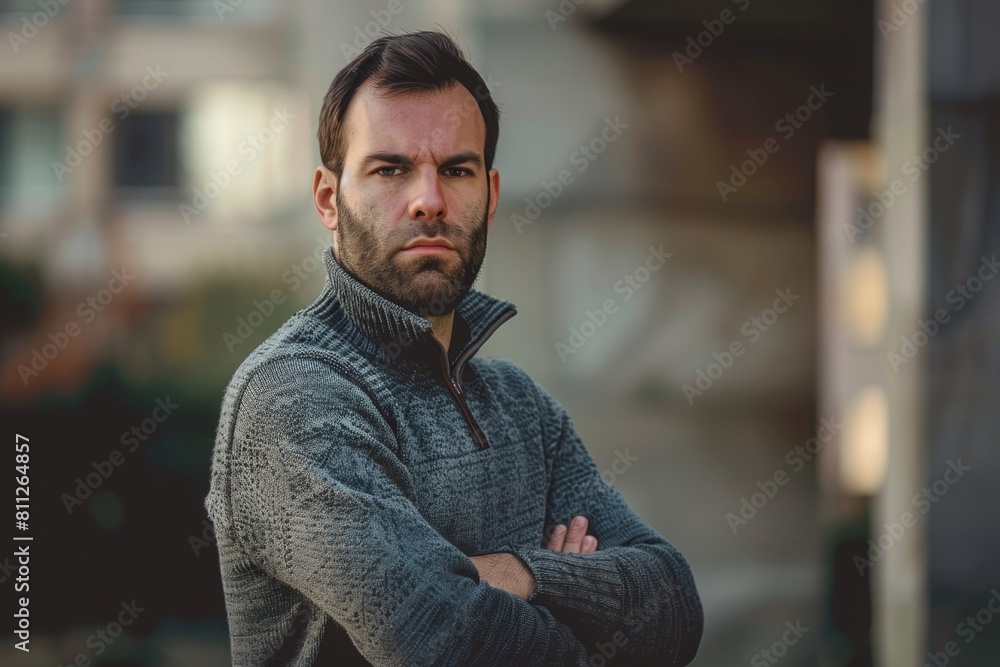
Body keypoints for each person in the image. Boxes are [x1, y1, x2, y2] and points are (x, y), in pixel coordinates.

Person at [205, 30, 703, 666]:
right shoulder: (294, 396)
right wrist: (590, 621)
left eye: (456, 170)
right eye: (390, 169)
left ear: (490, 196)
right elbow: (443, 644)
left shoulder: (524, 409)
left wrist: (528, 576)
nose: (429, 201)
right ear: (330, 199)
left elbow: (677, 607)